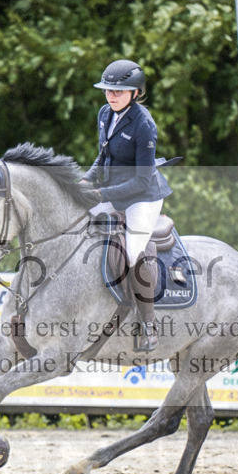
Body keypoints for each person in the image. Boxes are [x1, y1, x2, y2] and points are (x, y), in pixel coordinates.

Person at [80, 59, 172, 351]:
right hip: (111, 191)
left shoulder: (144, 125)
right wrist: (84, 182)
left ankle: (149, 324)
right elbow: (102, 156)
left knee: (133, 252)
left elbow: (143, 181)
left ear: (135, 92)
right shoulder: (105, 113)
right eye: (107, 90)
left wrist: (103, 194)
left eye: (118, 91)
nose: (111, 95)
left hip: (143, 198)